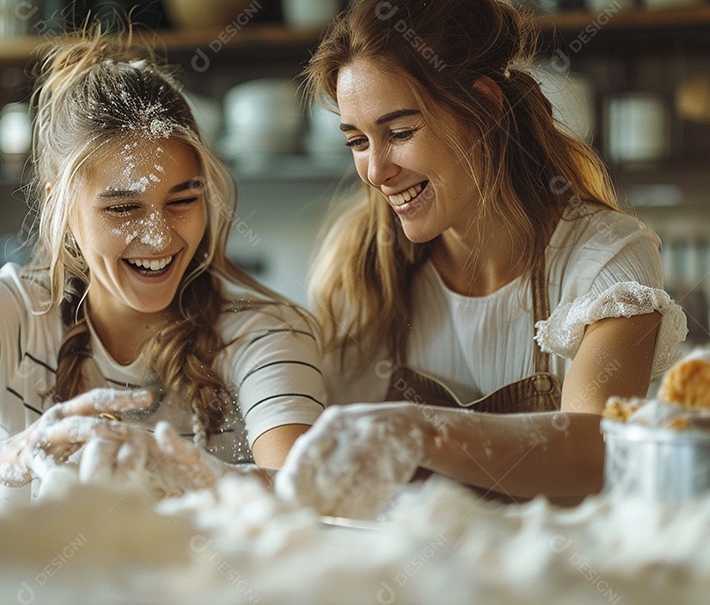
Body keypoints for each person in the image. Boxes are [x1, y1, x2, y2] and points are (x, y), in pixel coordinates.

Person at [0, 30, 326, 510]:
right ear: (64, 210)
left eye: (182, 201)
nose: (159, 236)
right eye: (123, 208)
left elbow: (305, 495)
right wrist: (1, 457)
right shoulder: (6, 312)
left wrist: (185, 476)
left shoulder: (264, 334)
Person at [275, 0, 687, 517]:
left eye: (400, 133)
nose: (376, 171)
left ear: (486, 106)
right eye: (358, 141)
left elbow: (593, 449)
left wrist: (420, 430)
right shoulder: (358, 263)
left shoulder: (605, 261)